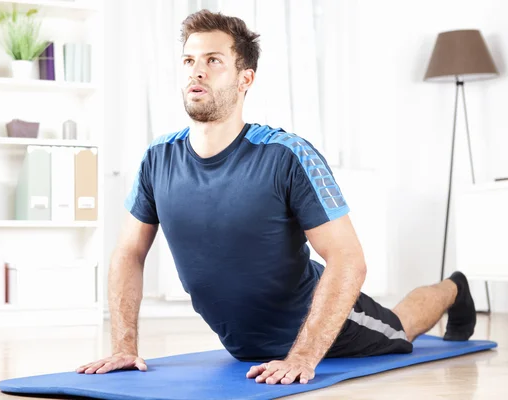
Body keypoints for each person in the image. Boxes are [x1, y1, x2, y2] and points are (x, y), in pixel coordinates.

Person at [76, 10, 476, 385]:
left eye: (213, 60)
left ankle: (454, 288)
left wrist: (303, 356)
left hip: (325, 324)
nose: (196, 69)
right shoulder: (157, 158)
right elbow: (129, 252)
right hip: (246, 345)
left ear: (245, 78)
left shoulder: (285, 154)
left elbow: (349, 260)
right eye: (188, 60)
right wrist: (124, 348)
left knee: (400, 325)